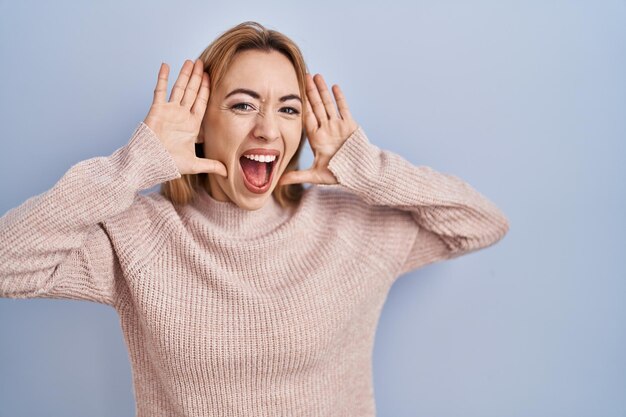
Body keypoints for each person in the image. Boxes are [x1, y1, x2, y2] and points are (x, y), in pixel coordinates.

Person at [0, 20, 510, 417]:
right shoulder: (140, 236)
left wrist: (368, 169)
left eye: (289, 110)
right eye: (244, 105)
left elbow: (481, 224)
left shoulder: (352, 229)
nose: (268, 129)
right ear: (200, 124)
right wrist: (132, 166)